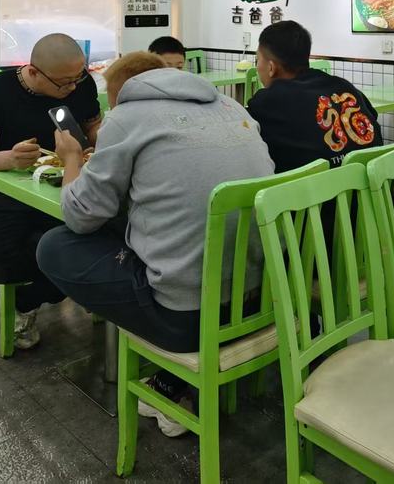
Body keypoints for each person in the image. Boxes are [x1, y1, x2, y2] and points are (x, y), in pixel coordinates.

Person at [36, 51, 274, 436]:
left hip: (186, 323)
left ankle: (169, 375)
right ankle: (171, 379)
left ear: (121, 93)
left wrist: (72, 159)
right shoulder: (232, 108)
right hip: (256, 301)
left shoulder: (127, 117)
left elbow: (79, 215)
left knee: (54, 246)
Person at [0, 34, 101, 349]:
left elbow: (94, 128)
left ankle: (27, 299)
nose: (73, 88)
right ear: (34, 71)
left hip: (72, 184)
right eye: (63, 83)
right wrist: (8, 158)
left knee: (97, 243)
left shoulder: (82, 85)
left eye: (78, 78)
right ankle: (57, 281)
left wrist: (102, 139)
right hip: (10, 191)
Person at [247, 21, 383, 173]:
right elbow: (373, 117)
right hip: (375, 183)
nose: (257, 67)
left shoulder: (267, 102)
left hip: (320, 187)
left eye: (258, 60)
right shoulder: (343, 85)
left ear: (271, 67)